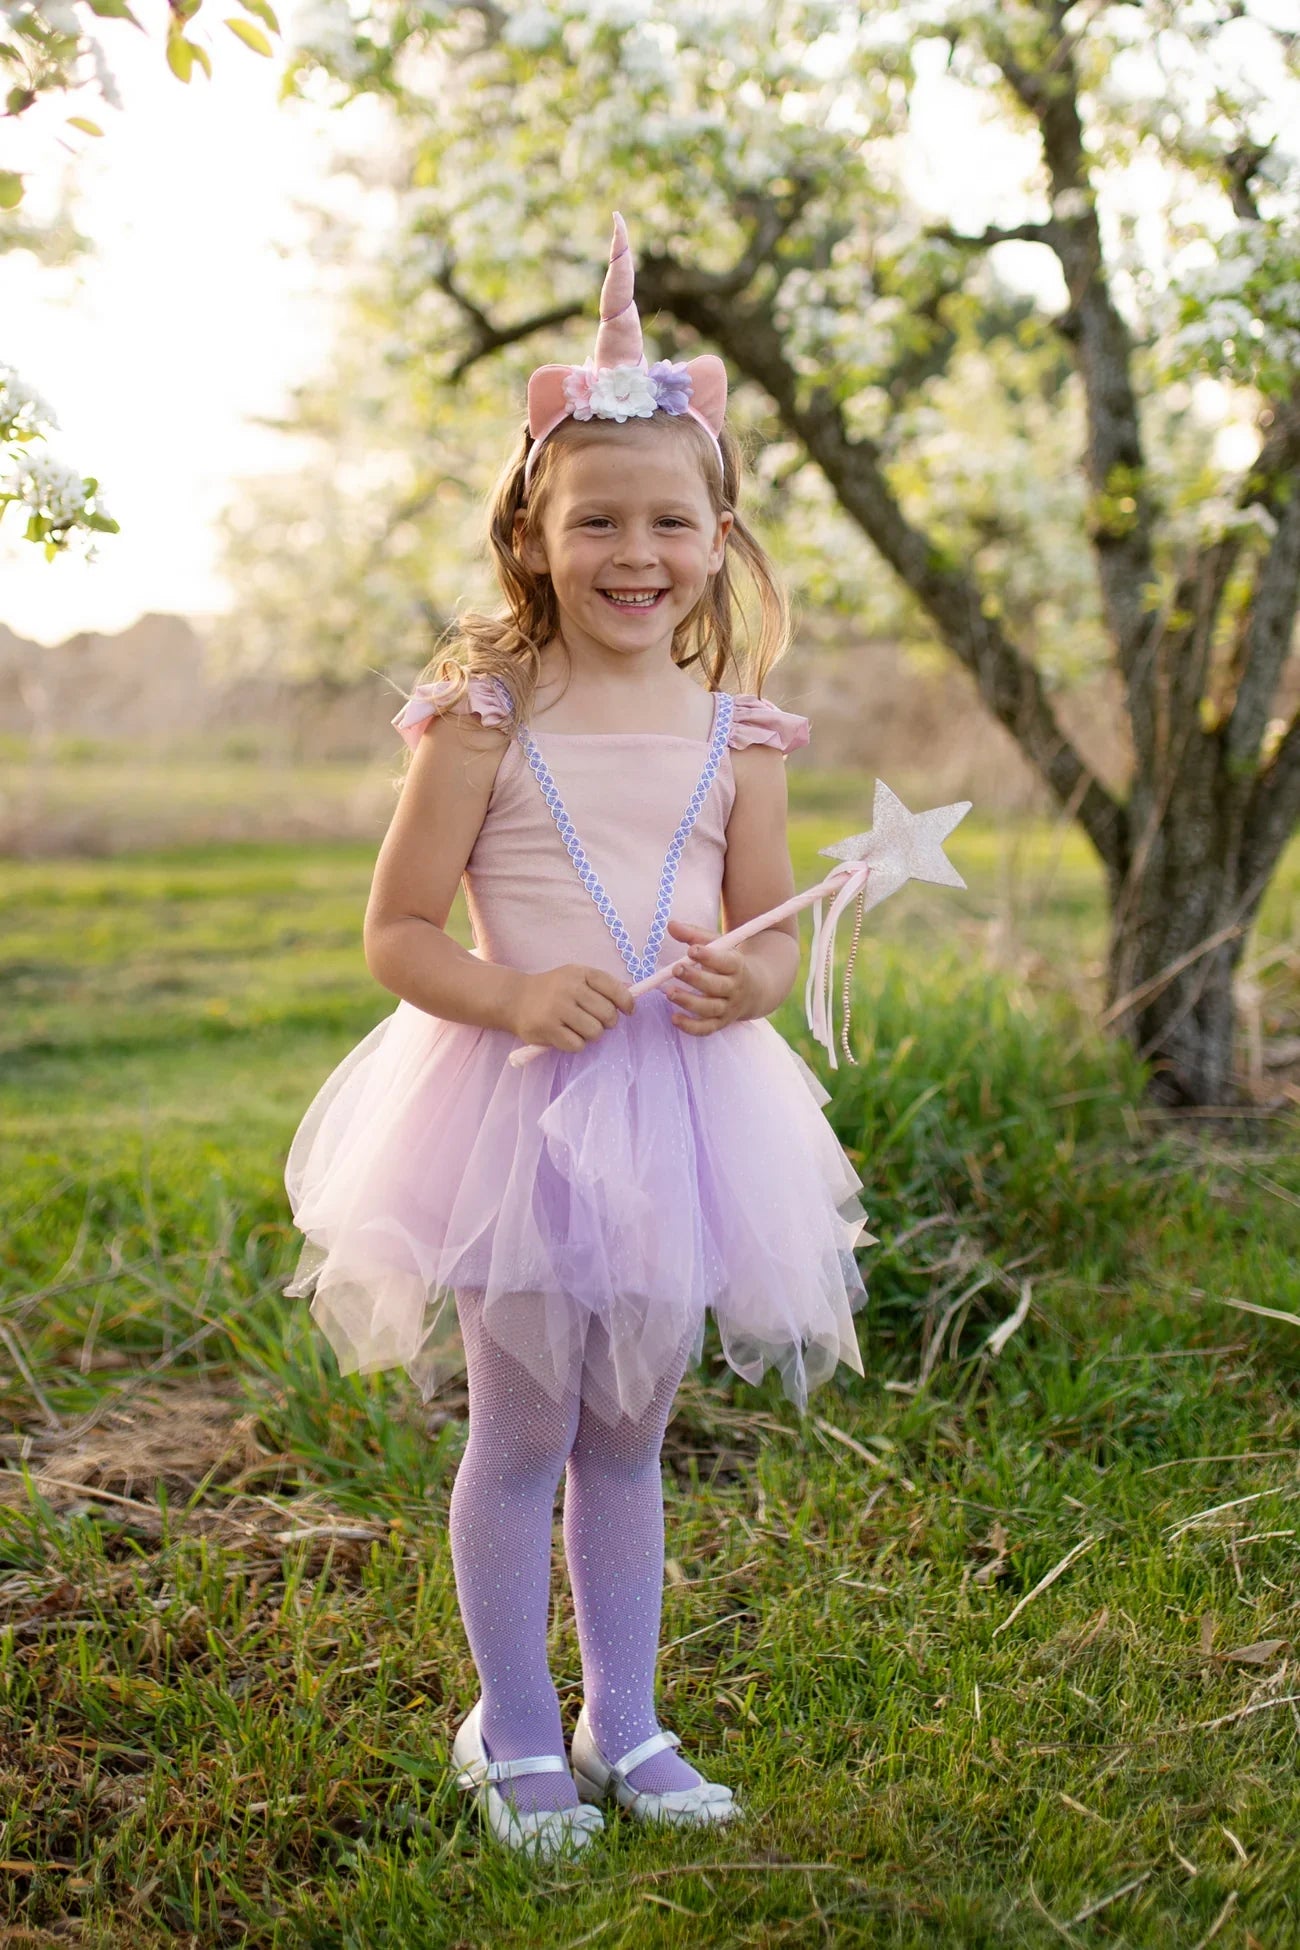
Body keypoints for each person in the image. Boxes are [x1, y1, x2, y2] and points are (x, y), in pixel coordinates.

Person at [284, 213, 870, 1861]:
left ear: (717, 534)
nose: (636, 550)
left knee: (635, 1430)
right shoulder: (483, 713)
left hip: (685, 1112)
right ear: (533, 533)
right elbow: (397, 931)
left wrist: (738, 986)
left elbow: (764, 934)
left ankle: (630, 1718)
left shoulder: (736, 732)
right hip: (517, 1109)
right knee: (526, 1424)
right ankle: (514, 1729)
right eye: (595, 517)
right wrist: (514, 992)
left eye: (669, 521)